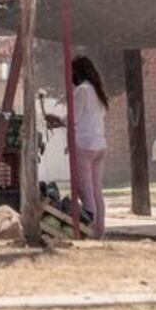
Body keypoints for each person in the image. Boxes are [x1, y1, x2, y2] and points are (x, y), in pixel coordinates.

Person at [46, 56, 109, 238]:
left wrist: (56, 119)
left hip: (84, 145)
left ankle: (88, 231)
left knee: (85, 192)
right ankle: (100, 232)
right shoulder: (98, 91)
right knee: (97, 191)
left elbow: (73, 118)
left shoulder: (81, 91)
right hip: (100, 145)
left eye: (71, 72)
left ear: (77, 72)